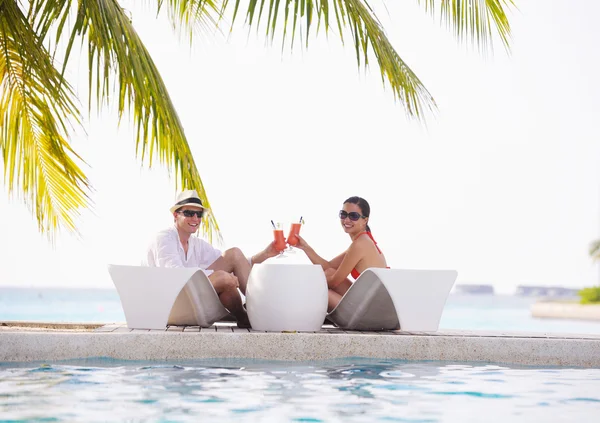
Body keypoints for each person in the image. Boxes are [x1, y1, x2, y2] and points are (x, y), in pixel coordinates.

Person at [145, 190, 280, 328]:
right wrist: (220, 277)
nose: (195, 218)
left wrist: (266, 254)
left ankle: (248, 315)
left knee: (234, 254)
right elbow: (177, 276)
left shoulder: (197, 244)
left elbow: (237, 264)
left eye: (199, 214)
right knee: (224, 279)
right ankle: (256, 314)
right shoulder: (164, 239)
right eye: (189, 213)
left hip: (193, 298)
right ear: (175, 215)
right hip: (173, 303)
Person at [294, 196, 387, 311]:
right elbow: (329, 267)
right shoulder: (363, 240)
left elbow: (334, 283)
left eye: (353, 216)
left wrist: (306, 282)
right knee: (328, 272)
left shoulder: (360, 244)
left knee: (320, 290)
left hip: (370, 312)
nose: (346, 220)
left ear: (365, 220)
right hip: (368, 303)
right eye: (343, 214)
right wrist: (305, 247)